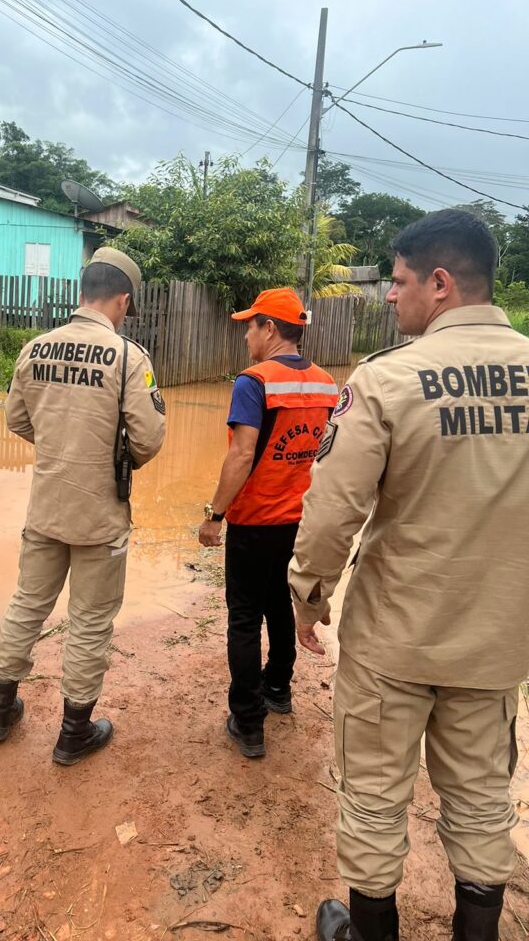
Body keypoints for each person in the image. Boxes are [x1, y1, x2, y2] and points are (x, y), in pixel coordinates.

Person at [288, 209, 529, 941]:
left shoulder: (388, 380)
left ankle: (370, 933)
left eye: (397, 282)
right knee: (484, 797)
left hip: (395, 641)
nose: (389, 297)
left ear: (441, 283)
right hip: (496, 643)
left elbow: (333, 511)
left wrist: (307, 594)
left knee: (372, 795)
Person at [0, 247, 166, 765]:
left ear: (81, 292)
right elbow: (149, 439)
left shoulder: (35, 349)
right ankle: (73, 734)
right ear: (124, 301)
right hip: (101, 515)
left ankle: (0, 711)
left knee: (27, 604)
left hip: (45, 508)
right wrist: (110, 457)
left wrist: (60, 447)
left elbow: (17, 420)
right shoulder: (130, 358)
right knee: (89, 620)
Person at [198, 288, 338, 758]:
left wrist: (214, 516)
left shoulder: (254, 381)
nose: (246, 334)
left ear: (271, 329)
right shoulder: (327, 384)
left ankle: (248, 721)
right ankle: (278, 688)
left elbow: (240, 455)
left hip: (254, 521)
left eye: (251, 325)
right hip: (301, 523)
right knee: (281, 606)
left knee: (243, 617)